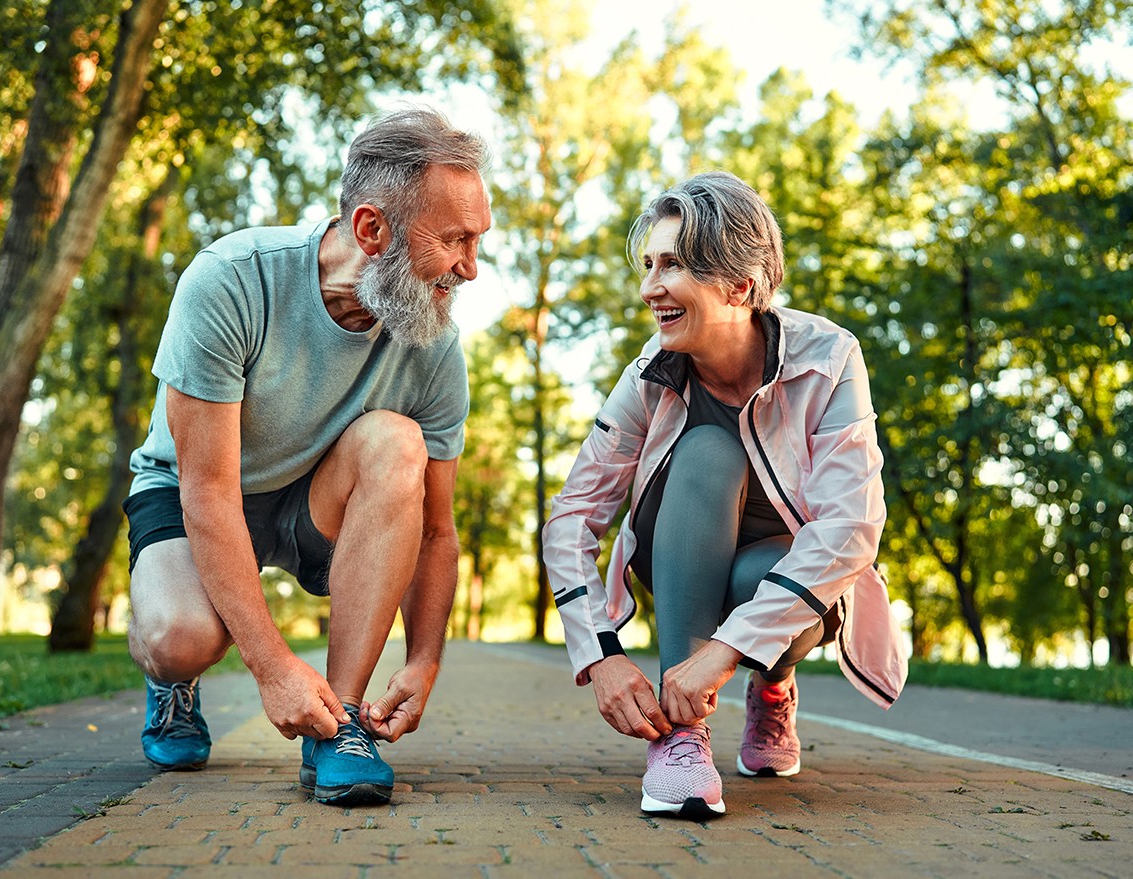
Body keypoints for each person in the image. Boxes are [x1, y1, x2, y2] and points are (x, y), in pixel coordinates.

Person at [122, 106, 491, 807]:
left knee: (397, 441)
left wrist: (424, 658)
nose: (470, 268)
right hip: (192, 488)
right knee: (180, 638)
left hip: (313, 498)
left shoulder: (435, 345)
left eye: (478, 240)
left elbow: (438, 529)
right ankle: (172, 682)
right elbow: (207, 492)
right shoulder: (231, 280)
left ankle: (341, 722)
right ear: (371, 229)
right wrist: (272, 668)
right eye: (453, 240)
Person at [543, 171, 907, 821]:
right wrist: (598, 654)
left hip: (782, 580)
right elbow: (572, 516)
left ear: (740, 285)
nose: (650, 287)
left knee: (761, 572)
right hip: (679, 562)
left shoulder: (828, 360)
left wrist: (725, 653)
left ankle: (772, 688)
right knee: (709, 448)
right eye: (649, 264)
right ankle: (681, 736)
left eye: (673, 265)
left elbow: (852, 525)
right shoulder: (648, 377)